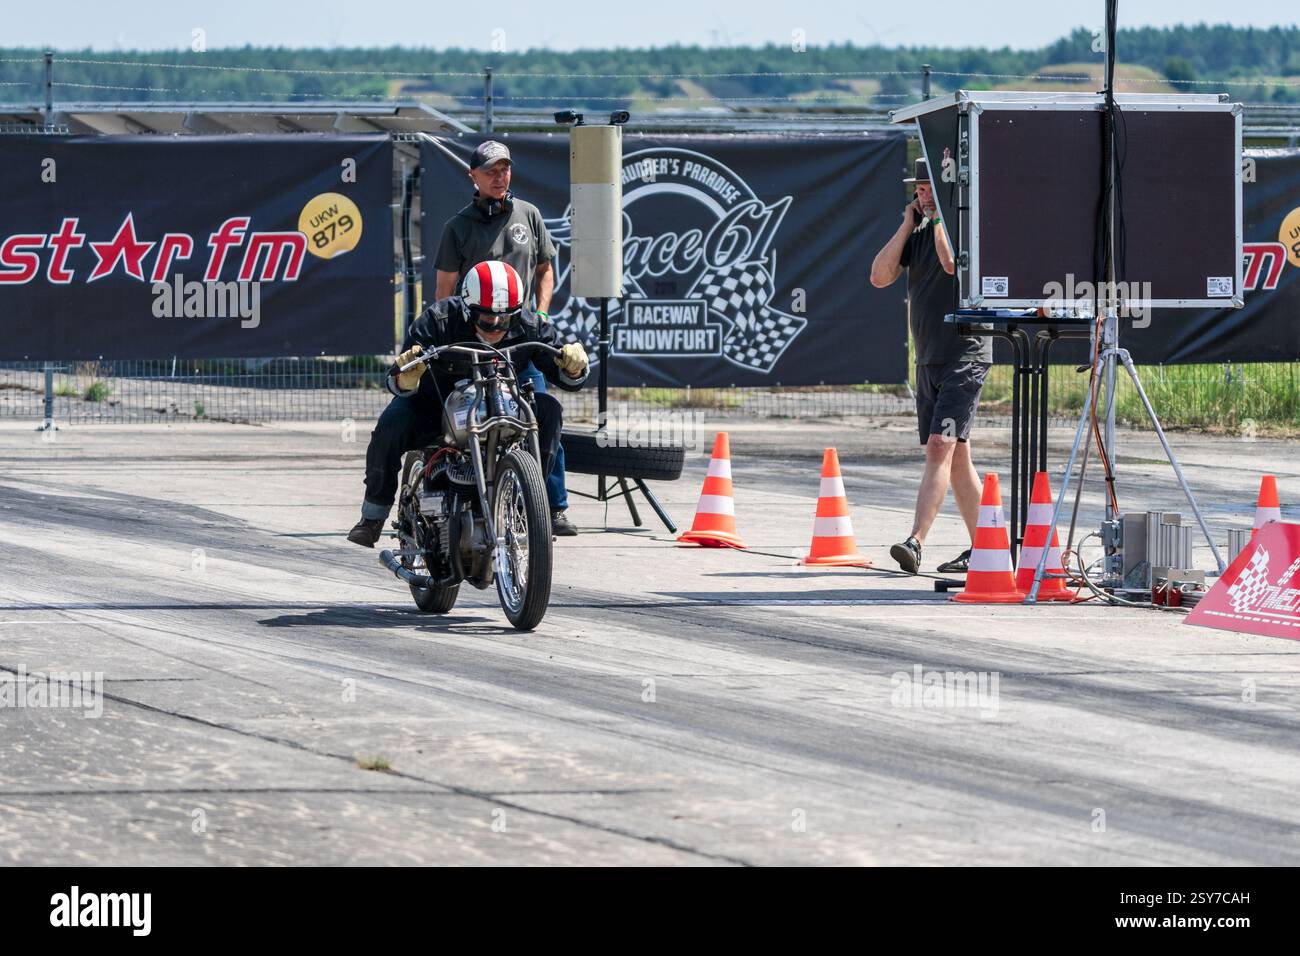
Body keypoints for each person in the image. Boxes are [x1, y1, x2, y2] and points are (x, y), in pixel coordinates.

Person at [347, 260, 589, 548]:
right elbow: (397, 379)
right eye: (487, 319)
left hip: (505, 405)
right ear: (467, 308)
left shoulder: (530, 324)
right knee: (390, 425)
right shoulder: (437, 320)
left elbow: (564, 374)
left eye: (505, 319)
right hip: (437, 406)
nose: (496, 327)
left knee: (549, 410)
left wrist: (574, 367)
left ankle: (529, 504)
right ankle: (373, 515)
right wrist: (406, 377)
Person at [432, 140, 578, 536]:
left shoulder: (529, 215)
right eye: (491, 171)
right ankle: (467, 495)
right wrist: (449, 334)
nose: (500, 177)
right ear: (473, 176)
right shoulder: (457, 227)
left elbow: (546, 268)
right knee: (467, 420)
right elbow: (444, 290)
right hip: (474, 340)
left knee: (540, 414)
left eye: (505, 169)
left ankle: (552, 506)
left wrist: (542, 313)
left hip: (520, 339)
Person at [869, 155, 993, 575]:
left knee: (941, 448)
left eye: (928, 190)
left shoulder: (959, 229)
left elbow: (948, 264)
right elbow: (879, 277)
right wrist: (907, 224)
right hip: (928, 357)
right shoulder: (916, 231)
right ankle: (987, 548)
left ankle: (915, 541)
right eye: (918, 191)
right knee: (957, 458)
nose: (922, 197)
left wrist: (939, 217)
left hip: (965, 356)